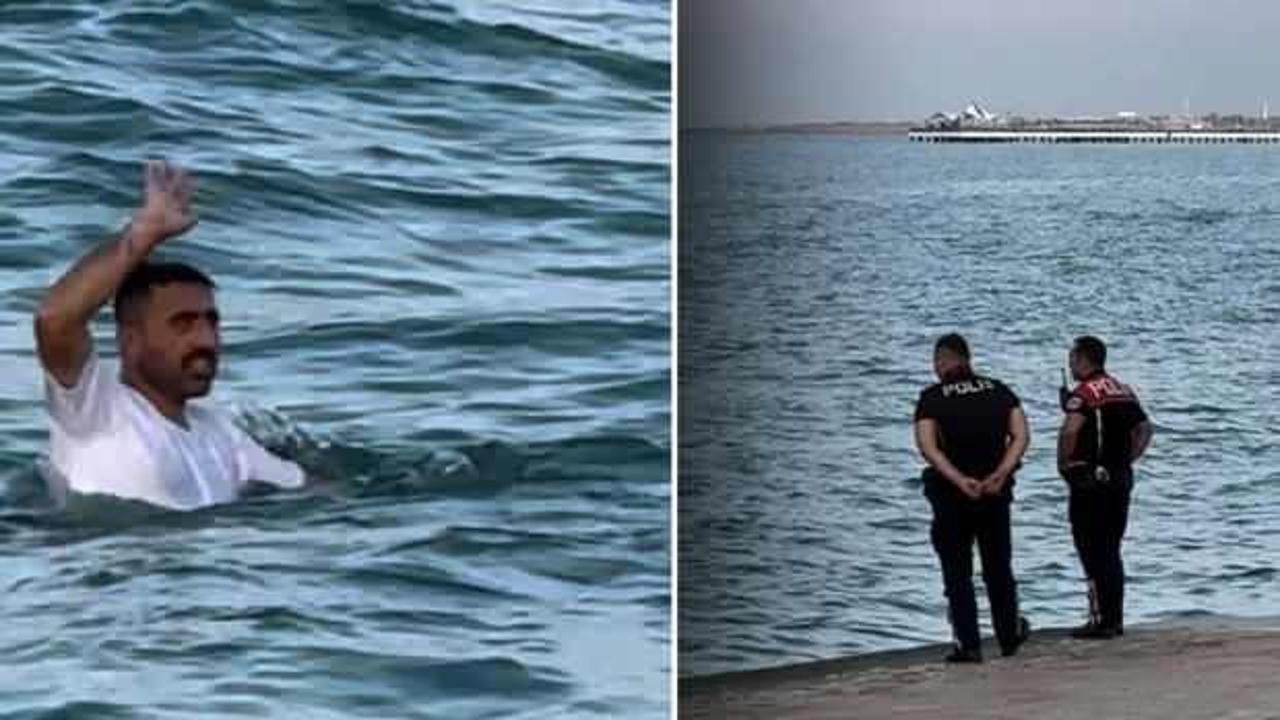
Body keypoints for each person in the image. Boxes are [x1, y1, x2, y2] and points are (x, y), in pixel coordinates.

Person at [34, 160, 305, 510]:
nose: (206, 340)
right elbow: (55, 319)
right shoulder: (94, 411)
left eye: (211, 321)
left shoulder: (220, 435)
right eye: (183, 324)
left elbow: (313, 492)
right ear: (130, 340)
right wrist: (143, 235)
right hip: (105, 556)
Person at [914, 333, 1031, 662]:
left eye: (936, 362)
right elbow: (1021, 435)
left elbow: (927, 446)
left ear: (942, 360)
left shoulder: (932, 398)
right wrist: (1000, 474)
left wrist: (959, 479)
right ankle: (1008, 637)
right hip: (995, 494)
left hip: (952, 496)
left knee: (957, 571)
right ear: (968, 359)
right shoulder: (999, 390)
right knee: (998, 567)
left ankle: (969, 645)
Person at [1058, 335, 1153, 639]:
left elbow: (1071, 431)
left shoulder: (1084, 393)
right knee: (1111, 548)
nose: (1071, 364)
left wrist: (1065, 465)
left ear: (1084, 359)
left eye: (1073, 358)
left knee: (1090, 548)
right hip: (1120, 477)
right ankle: (1115, 618)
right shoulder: (1123, 390)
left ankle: (1101, 619)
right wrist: (1128, 458)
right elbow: (1145, 428)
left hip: (1091, 481)